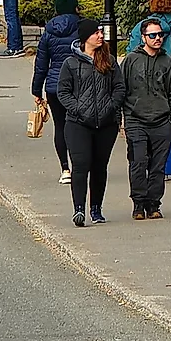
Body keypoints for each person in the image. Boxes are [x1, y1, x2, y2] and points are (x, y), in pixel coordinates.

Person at [119, 16, 171, 219]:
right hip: (136, 120)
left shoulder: (169, 63)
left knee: (158, 167)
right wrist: (124, 117)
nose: (158, 38)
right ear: (143, 37)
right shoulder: (131, 60)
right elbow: (121, 89)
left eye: (160, 35)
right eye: (153, 35)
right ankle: (138, 204)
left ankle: (154, 205)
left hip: (161, 121)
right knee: (138, 162)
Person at [56, 22, 124, 227]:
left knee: (99, 166)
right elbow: (63, 91)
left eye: (101, 32)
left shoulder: (109, 60)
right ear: (85, 37)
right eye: (96, 32)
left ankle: (96, 208)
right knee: (81, 164)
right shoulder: (71, 63)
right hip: (78, 124)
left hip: (106, 124)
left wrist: (111, 107)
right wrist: (77, 108)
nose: (100, 35)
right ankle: (79, 209)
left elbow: (119, 87)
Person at [128, 0, 171, 177]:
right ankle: (166, 166)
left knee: (145, 120)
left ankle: (147, 160)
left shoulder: (142, 27)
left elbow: (132, 51)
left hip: (144, 81)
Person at [28, 0, 86, 183]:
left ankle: (65, 169)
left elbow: (41, 64)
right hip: (80, 84)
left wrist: (36, 90)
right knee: (81, 126)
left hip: (55, 86)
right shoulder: (82, 28)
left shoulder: (49, 31)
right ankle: (81, 165)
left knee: (60, 126)